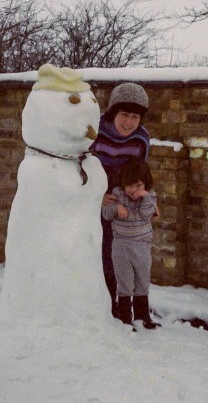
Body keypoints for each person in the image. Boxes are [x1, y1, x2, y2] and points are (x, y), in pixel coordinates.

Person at [90, 82, 152, 318]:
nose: (129, 122)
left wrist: (137, 199)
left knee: (117, 256)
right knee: (97, 253)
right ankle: (103, 303)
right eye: (124, 115)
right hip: (91, 201)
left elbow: (138, 176)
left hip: (120, 206)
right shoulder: (94, 133)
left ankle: (119, 305)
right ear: (113, 112)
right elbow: (79, 167)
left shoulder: (140, 140)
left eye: (135, 117)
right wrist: (96, 194)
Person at [101, 158, 160, 329]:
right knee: (125, 282)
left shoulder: (149, 196)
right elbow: (105, 213)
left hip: (142, 245)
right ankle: (125, 317)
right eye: (129, 186)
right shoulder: (117, 194)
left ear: (145, 184)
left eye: (138, 186)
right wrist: (115, 209)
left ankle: (143, 317)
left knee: (142, 281)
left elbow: (147, 214)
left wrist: (146, 197)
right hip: (121, 245)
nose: (133, 190)